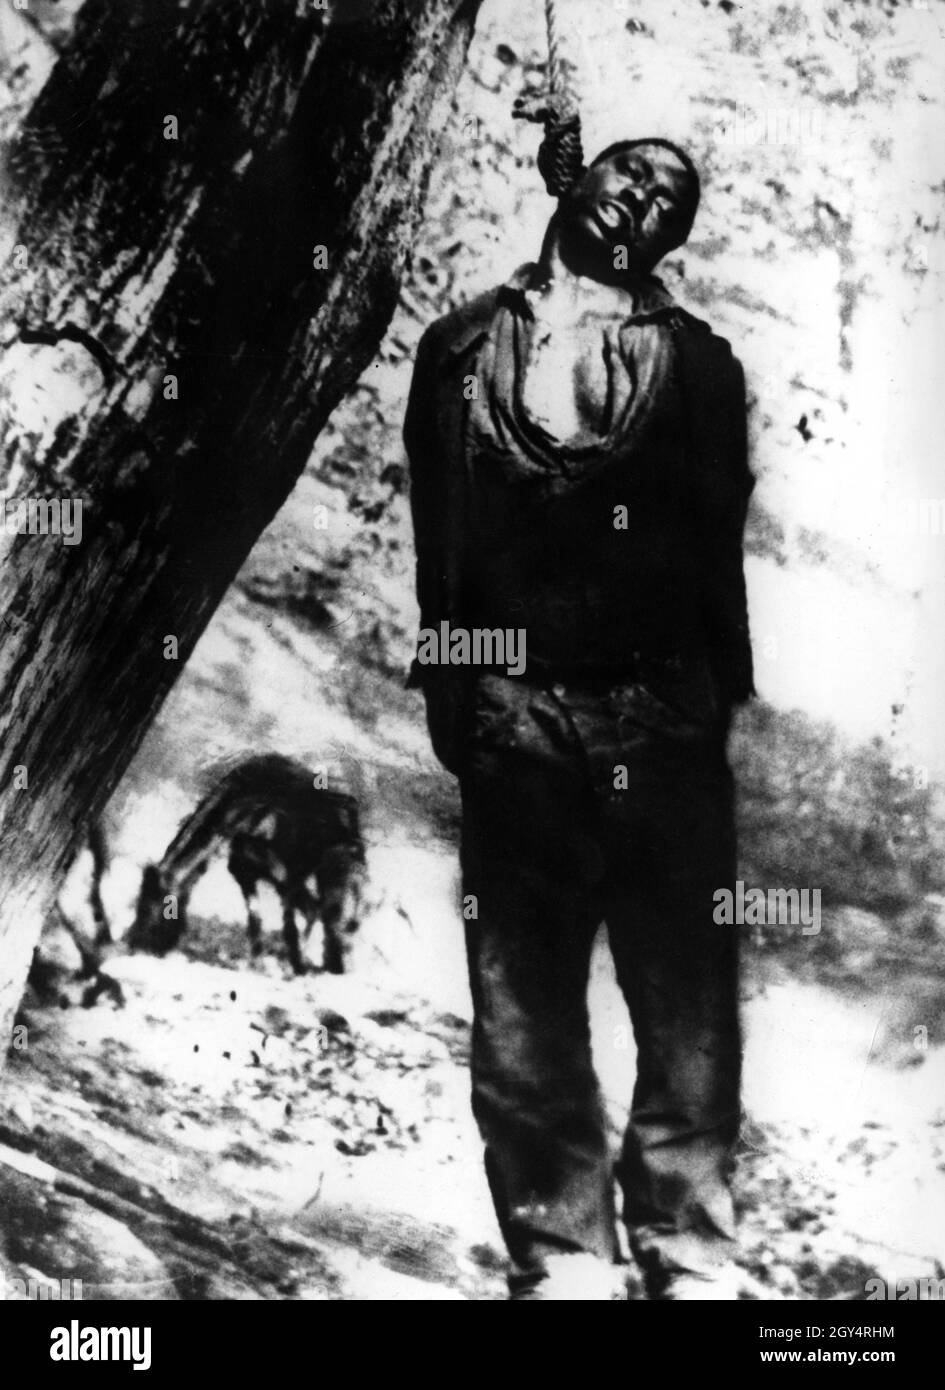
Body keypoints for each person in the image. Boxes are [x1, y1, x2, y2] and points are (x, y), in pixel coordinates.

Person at [404, 138, 755, 1300]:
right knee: (522, 1001)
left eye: (673, 198)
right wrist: (468, 697)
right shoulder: (459, 347)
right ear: (574, 180)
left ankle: (689, 1252)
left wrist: (706, 711)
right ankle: (562, 1256)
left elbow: (715, 554)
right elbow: (440, 549)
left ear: (674, 242)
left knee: (687, 999)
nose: (647, 194)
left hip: (658, 720)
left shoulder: (699, 369)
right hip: (518, 715)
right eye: (629, 170)